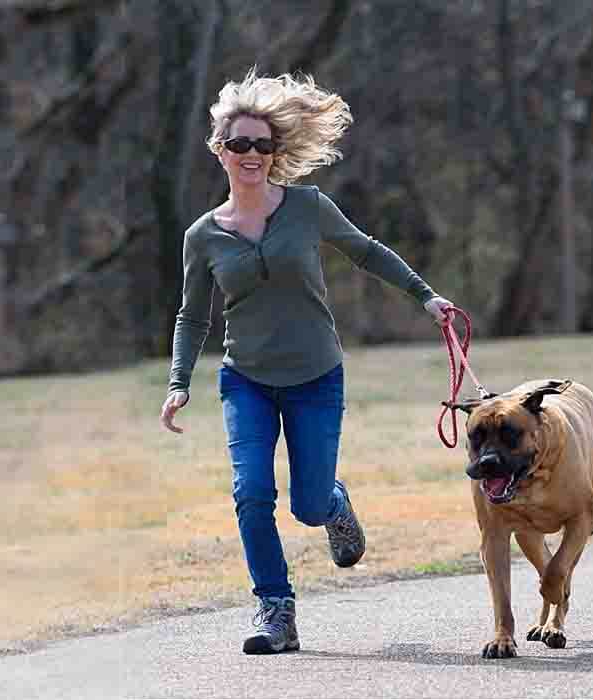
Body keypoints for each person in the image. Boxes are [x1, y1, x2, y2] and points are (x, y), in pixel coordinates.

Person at [160, 68, 454, 655]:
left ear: (274, 153)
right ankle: (276, 612)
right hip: (245, 380)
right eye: (239, 143)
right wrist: (178, 382)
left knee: (309, 503)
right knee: (250, 493)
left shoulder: (307, 207)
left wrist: (426, 295)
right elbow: (193, 316)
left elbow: (366, 252)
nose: (251, 154)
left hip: (316, 376)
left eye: (262, 145)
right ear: (220, 150)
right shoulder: (203, 235)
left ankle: (333, 504)